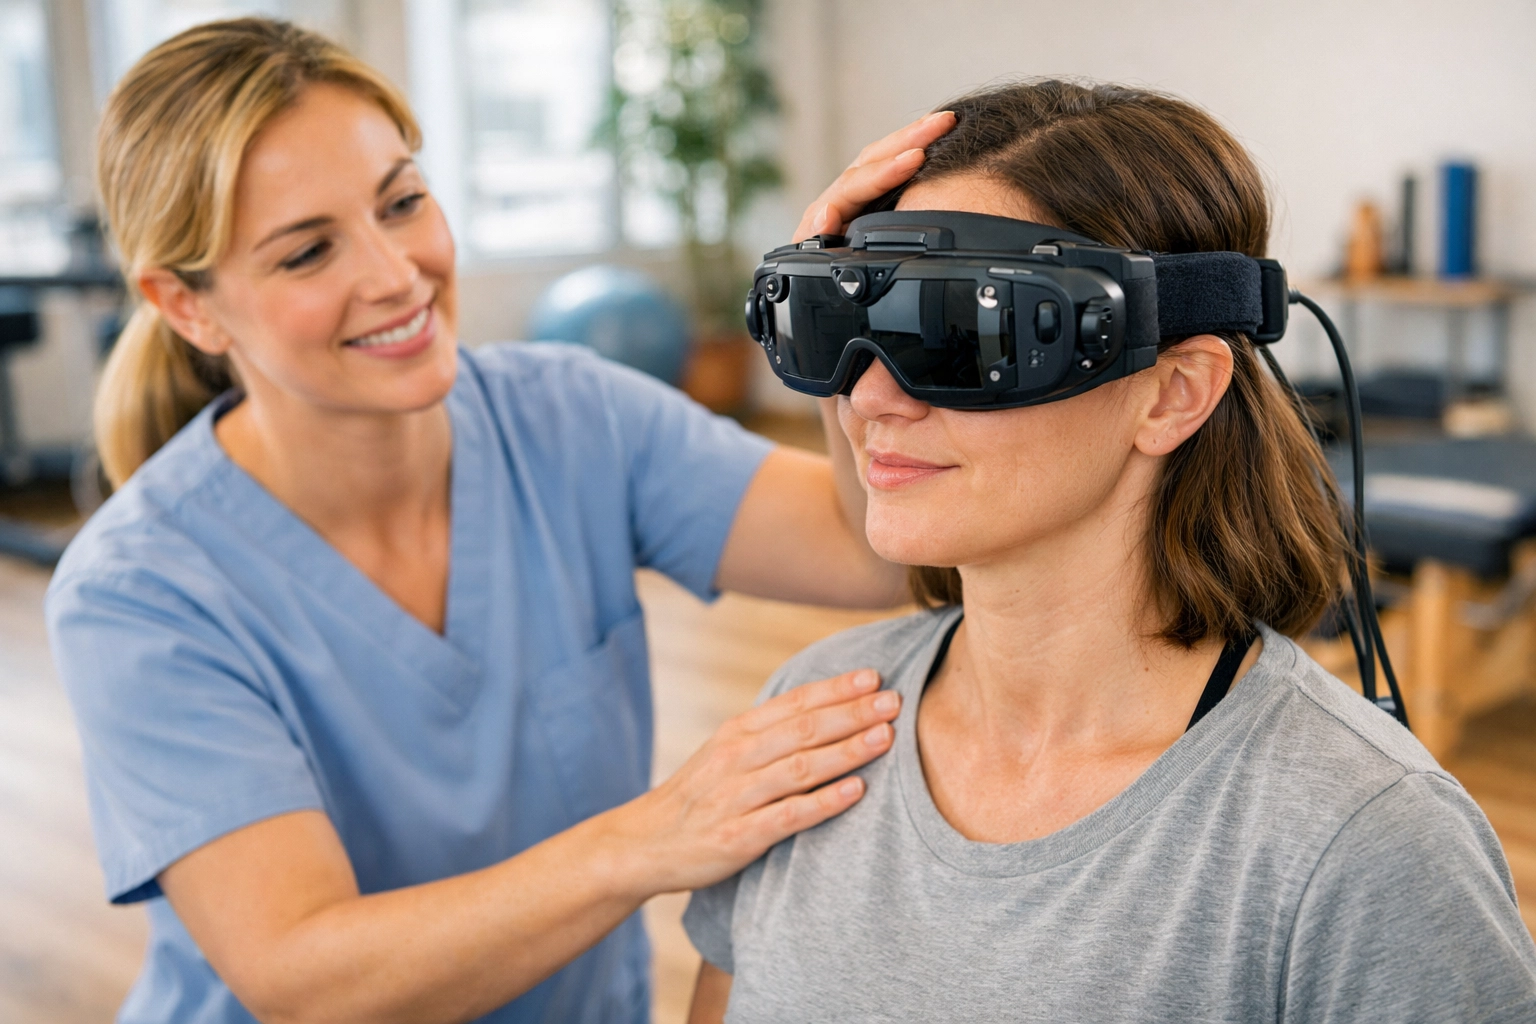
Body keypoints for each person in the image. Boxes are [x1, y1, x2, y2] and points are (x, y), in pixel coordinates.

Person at [44, 19, 955, 1024]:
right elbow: (304, 976)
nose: (395, 274)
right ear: (187, 305)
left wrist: (834, 316)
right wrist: (656, 835)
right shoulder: (138, 591)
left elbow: (871, 550)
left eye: (402, 202)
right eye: (307, 253)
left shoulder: (572, 418)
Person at [683, 80, 1536, 1023]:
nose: (871, 401)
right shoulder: (809, 725)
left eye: (962, 332)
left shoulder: (1365, 844)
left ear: (1172, 394)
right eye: (841, 326)